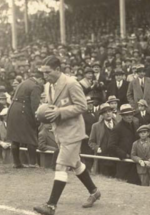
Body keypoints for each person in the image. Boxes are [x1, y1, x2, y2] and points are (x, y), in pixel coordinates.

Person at [34, 56, 101, 215]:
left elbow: (82, 106)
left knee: (61, 165)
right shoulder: (48, 85)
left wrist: (60, 112)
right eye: (43, 73)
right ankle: (94, 191)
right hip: (59, 131)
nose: (45, 76)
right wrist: (42, 112)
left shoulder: (71, 83)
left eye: (48, 72)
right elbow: (50, 106)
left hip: (73, 132)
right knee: (76, 164)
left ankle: (51, 206)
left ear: (58, 69)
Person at [7, 64, 43, 168]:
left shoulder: (24, 82)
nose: (43, 83)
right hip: (23, 111)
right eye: (43, 81)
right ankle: (32, 163)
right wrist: (36, 118)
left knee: (15, 137)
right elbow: (35, 105)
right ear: (40, 78)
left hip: (13, 110)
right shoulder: (36, 86)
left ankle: (16, 163)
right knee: (31, 136)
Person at [109, 104, 140, 185]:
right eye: (127, 115)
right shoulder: (117, 128)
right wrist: (125, 155)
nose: (129, 116)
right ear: (122, 116)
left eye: (131, 114)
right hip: (124, 163)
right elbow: (111, 146)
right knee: (122, 185)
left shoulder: (136, 125)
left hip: (135, 163)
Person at [89, 103, 117, 177]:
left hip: (116, 158)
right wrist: (97, 148)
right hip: (102, 159)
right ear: (102, 115)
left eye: (109, 111)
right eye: (105, 112)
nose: (108, 114)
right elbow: (91, 142)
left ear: (112, 112)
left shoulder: (118, 125)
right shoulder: (96, 126)